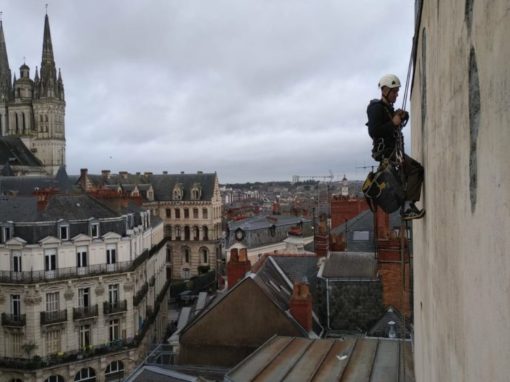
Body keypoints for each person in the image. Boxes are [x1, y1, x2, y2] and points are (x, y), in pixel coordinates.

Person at [366, 74, 425, 220]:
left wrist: (402, 116)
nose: (396, 95)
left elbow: (394, 123)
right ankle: (407, 207)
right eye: (394, 92)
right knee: (415, 169)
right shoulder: (376, 108)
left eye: (397, 92)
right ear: (385, 90)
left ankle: (407, 205)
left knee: (406, 176)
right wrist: (393, 123)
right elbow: (374, 131)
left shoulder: (387, 109)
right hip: (387, 152)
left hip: (393, 151)